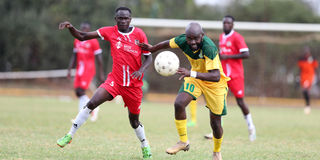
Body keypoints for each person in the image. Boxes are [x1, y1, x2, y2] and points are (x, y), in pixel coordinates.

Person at [57, 7, 153, 159]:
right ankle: (69, 135)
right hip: (114, 81)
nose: (123, 21)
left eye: (126, 18)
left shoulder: (139, 34)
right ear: (116, 19)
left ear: (130, 19)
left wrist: (141, 70)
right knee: (92, 103)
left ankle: (144, 145)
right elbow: (82, 36)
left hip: (134, 86)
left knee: (134, 121)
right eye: (120, 18)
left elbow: (149, 57)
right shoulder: (110, 31)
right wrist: (71, 28)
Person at [140, 22, 230, 160]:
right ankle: (183, 142)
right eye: (190, 39)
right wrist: (152, 49)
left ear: (202, 36)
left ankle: (217, 152)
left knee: (215, 122)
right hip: (195, 78)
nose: (192, 42)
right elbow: (166, 44)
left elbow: (215, 76)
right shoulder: (183, 40)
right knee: (179, 103)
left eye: (196, 38)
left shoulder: (209, 47)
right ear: (186, 37)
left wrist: (191, 73)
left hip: (214, 84)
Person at [205, 15, 256, 141]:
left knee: (240, 102)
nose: (226, 25)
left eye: (229, 23)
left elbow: (246, 54)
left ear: (233, 25)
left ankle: (251, 127)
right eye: (224, 23)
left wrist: (229, 57)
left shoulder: (237, 37)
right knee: (219, 101)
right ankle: (217, 131)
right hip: (223, 75)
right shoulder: (222, 37)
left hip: (236, 75)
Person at [67, 22, 104, 122]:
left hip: (88, 69)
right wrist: (70, 69)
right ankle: (92, 109)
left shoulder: (93, 41)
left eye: (86, 29)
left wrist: (101, 73)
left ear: (89, 30)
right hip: (80, 69)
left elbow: (99, 58)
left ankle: (83, 114)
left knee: (81, 91)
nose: (83, 30)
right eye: (82, 28)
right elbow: (74, 56)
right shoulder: (77, 40)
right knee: (78, 93)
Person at [298, 46, 318, 114]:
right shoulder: (301, 59)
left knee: (305, 90)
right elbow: (300, 68)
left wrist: (317, 76)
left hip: (309, 77)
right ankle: (307, 106)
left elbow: (315, 67)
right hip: (303, 77)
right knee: (304, 91)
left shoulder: (312, 59)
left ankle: (308, 106)